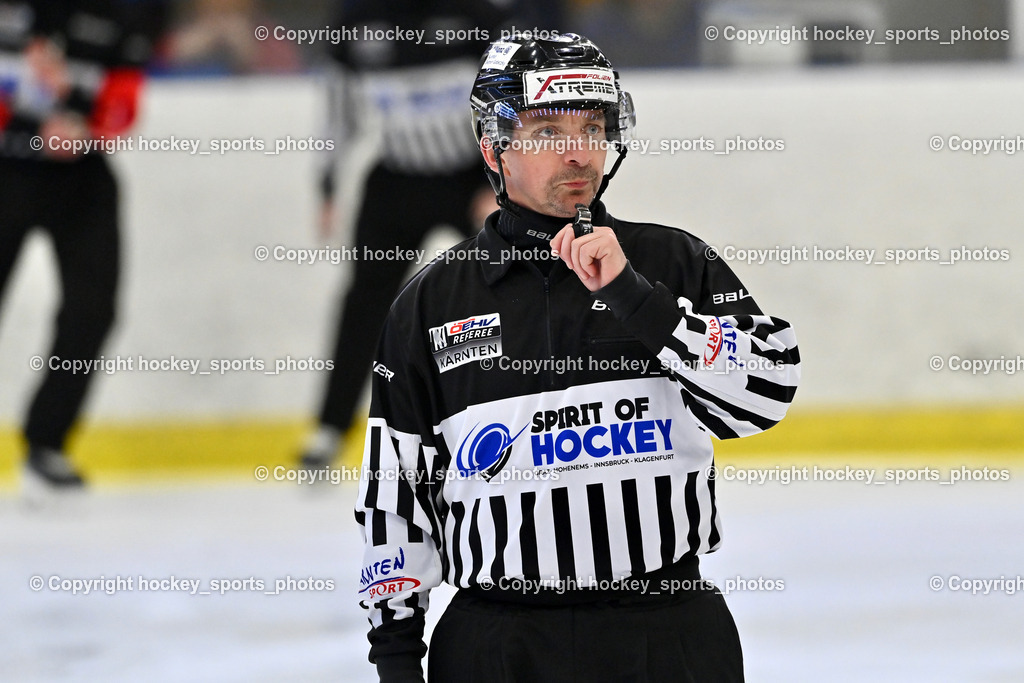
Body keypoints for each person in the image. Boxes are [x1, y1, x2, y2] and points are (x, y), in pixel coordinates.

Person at [355, 32, 800, 682]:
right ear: (493, 148)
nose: (577, 151)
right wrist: (396, 659)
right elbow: (396, 496)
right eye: (547, 131)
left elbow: (767, 391)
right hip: (497, 648)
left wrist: (635, 298)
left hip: (668, 638)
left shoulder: (674, 264)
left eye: (592, 126)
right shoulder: (429, 305)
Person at [298, 0, 515, 471]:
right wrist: (327, 185)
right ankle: (330, 428)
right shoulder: (355, 23)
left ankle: (539, 402)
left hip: (472, 177)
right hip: (396, 182)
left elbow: (509, 98)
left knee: (520, 279)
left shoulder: (476, 15)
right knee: (365, 304)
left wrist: (497, 178)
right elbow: (337, 114)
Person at [0, 0, 153, 491]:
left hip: (81, 176)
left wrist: (86, 127)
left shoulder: (121, 12)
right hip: (8, 171)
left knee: (93, 311)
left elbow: (125, 97)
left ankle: (46, 441)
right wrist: (27, 130)